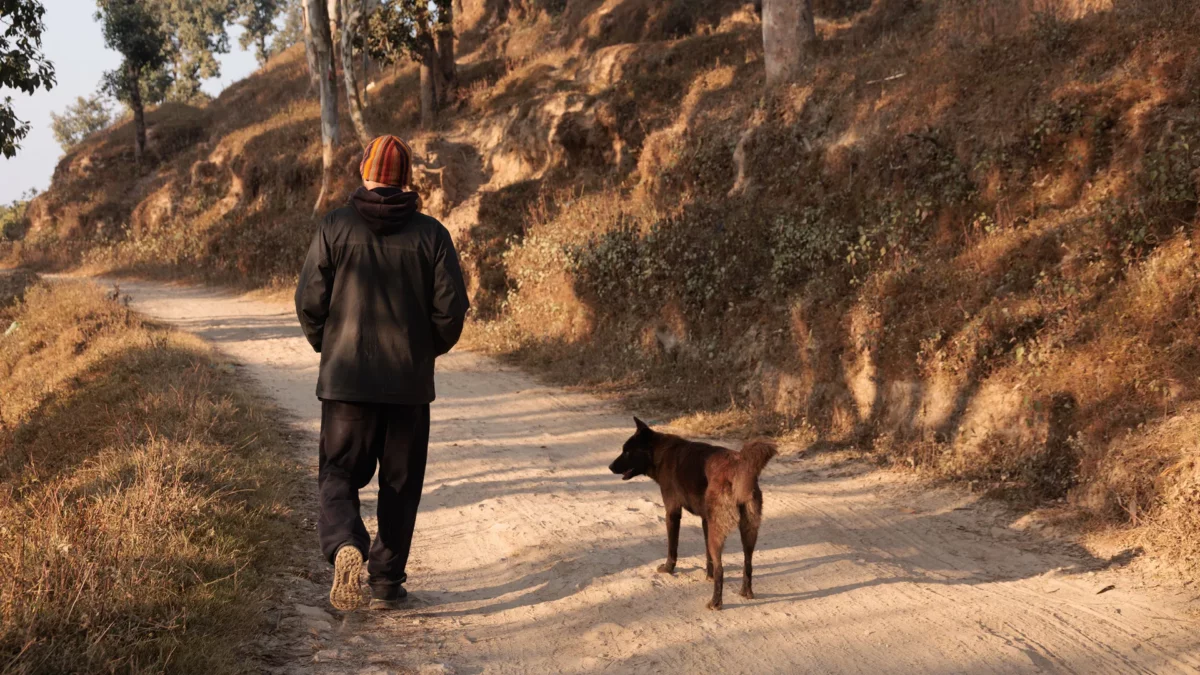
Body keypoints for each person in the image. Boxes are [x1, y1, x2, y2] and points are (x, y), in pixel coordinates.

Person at [295, 135, 469, 611]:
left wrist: (331, 350)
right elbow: (451, 312)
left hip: (346, 383)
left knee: (337, 474)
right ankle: (387, 583)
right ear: (407, 179)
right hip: (407, 390)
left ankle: (346, 544)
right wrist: (419, 353)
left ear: (362, 172)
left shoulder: (333, 227)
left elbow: (310, 302)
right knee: (400, 486)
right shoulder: (432, 234)